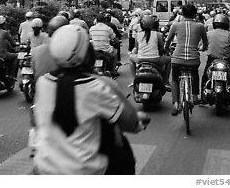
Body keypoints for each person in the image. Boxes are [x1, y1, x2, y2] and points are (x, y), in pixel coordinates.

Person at [33, 24, 148, 175]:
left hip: (44, 168)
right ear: (85, 52)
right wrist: (139, 120)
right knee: (124, 159)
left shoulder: (43, 82)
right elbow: (130, 123)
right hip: (86, 171)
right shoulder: (97, 86)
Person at [165, 4, 208, 115]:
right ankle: (194, 96)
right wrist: (203, 48)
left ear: (182, 14)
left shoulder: (175, 25)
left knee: (174, 79)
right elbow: (205, 43)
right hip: (193, 59)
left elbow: (168, 41)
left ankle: (176, 104)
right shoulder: (200, 26)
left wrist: (166, 49)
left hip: (177, 59)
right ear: (195, 14)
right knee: (195, 74)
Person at [201, 14, 230, 108]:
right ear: (226, 24)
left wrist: (203, 48)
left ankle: (202, 98)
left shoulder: (208, 34)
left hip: (212, 59)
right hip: (227, 60)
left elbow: (202, 46)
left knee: (205, 77)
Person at [128, 15, 171, 89]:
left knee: (130, 58)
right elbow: (161, 48)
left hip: (140, 59)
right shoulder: (158, 34)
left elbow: (137, 49)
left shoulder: (138, 35)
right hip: (155, 59)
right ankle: (166, 81)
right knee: (169, 60)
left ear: (141, 25)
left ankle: (134, 79)